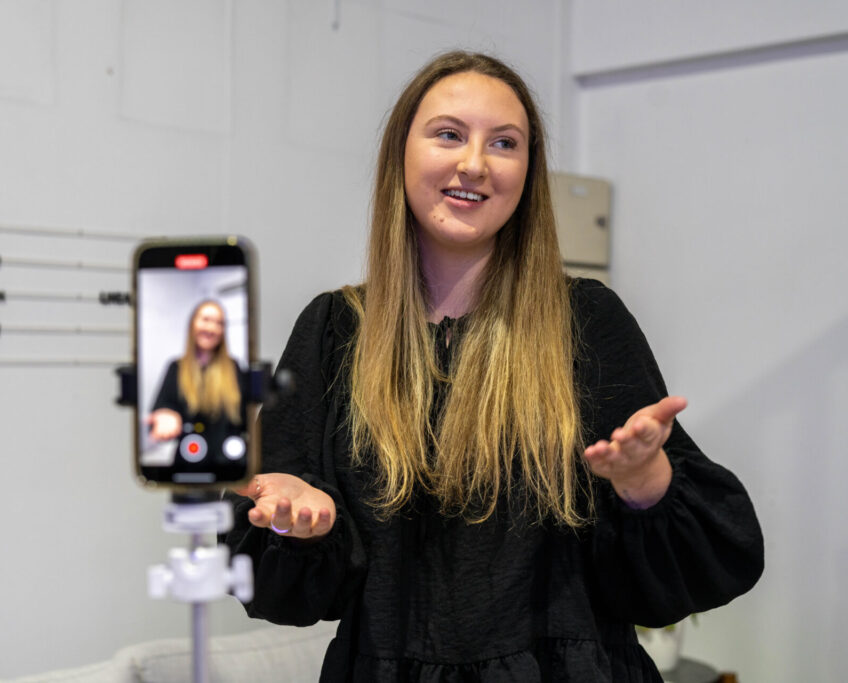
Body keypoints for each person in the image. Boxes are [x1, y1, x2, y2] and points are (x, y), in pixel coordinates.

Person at [224, 51, 763, 682]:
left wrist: (644, 480)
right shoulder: (333, 331)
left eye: (504, 143)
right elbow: (284, 587)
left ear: (528, 173)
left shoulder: (586, 322)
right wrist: (299, 526)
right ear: (402, 154)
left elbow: (690, 571)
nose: (474, 164)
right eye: (449, 134)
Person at [147, 300, 244, 469]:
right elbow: (162, 407)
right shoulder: (176, 367)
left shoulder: (234, 368)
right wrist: (165, 415)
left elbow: (245, 420)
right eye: (206, 319)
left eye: (219, 323)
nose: (211, 328)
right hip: (187, 463)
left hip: (228, 467)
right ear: (193, 324)